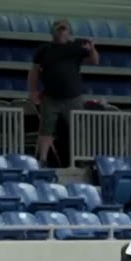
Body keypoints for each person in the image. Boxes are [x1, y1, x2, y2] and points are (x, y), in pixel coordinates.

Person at [28, 17, 98, 167]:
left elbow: (95, 61)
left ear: (69, 32)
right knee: (46, 130)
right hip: (50, 97)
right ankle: (43, 160)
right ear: (53, 32)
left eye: (64, 29)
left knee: (79, 130)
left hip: (73, 98)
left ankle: (81, 161)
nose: (61, 32)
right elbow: (34, 72)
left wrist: (92, 48)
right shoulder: (44, 50)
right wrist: (33, 90)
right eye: (58, 29)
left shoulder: (76, 47)